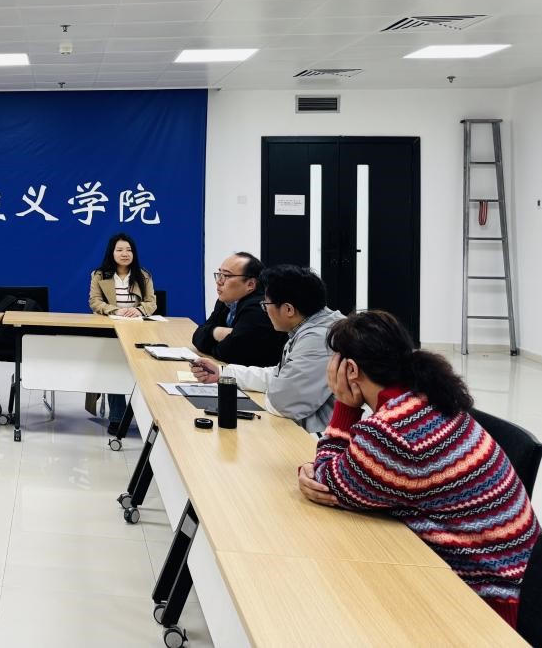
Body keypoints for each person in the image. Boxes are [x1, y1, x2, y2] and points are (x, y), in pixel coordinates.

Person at [298, 310, 539, 629]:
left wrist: (344, 405)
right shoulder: (427, 397)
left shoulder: (390, 433)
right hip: (513, 577)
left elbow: (327, 482)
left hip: (488, 604)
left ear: (350, 369)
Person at [189, 265, 340, 433]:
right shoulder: (310, 327)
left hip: (321, 438)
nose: (265, 310)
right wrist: (223, 373)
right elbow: (280, 375)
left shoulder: (319, 339)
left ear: (288, 309)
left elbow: (283, 404)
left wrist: (276, 389)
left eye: (266, 304)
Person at [86, 232, 156, 436]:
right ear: (112, 252)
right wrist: (115, 310)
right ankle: (117, 417)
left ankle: (146, 417)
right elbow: (95, 302)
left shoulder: (143, 275)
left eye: (129, 250)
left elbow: (151, 302)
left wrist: (139, 310)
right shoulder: (99, 275)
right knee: (113, 367)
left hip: (137, 330)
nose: (125, 254)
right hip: (110, 330)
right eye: (120, 250)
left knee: (141, 371)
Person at [191, 252, 284, 367]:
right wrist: (219, 332)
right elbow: (198, 335)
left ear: (250, 284)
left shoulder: (259, 307)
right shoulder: (225, 301)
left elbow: (231, 353)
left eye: (226, 276)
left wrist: (212, 341)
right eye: (219, 274)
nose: (219, 281)